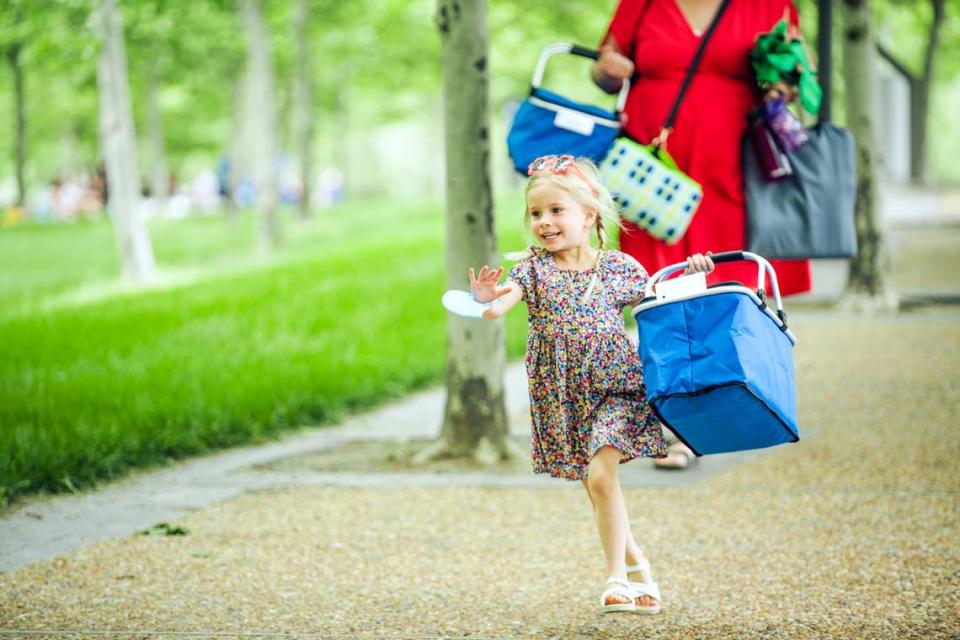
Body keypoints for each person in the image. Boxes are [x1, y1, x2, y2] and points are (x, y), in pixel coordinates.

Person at [467, 154, 714, 613]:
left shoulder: (620, 268)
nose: (543, 222)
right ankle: (639, 566)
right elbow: (499, 306)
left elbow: (666, 308)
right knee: (598, 486)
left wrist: (694, 274)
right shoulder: (532, 270)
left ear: (589, 214)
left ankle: (615, 578)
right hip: (561, 393)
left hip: (617, 387)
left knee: (601, 476)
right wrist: (485, 300)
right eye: (536, 213)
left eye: (556, 210)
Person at [591, 0, 812, 470]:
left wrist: (785, 80)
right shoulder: (642, 4)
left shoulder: (772, 6)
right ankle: (665, 418)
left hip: (732, 166)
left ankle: (713, 415)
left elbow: (799, 80)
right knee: (658, 291)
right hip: (657, 174)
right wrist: (609, 70)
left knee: (722, 290)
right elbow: (605, 73)